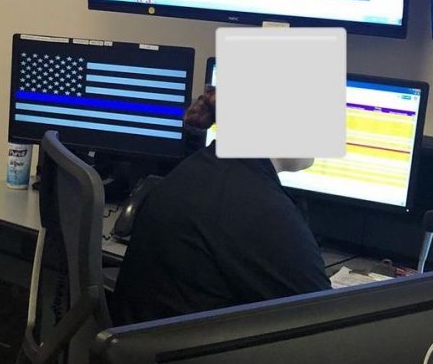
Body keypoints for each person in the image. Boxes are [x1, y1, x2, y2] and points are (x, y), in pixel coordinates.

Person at [111, 85, 331, 325]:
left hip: (157, 353)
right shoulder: (259, 208)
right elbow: (327, 324)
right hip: (198, 358)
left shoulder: (204, 168)